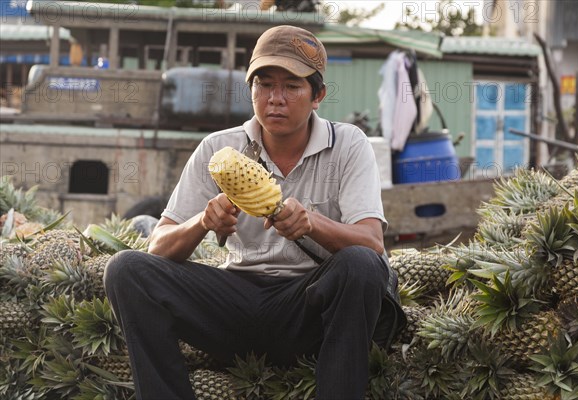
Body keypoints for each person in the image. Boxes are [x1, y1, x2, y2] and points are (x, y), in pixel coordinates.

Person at [104, 25, 405, 400]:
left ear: (318, 95)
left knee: (361, 265)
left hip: (308, 309)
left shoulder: (347, 145)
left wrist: (311, 222)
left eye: (292, 86)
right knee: (126, 269)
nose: (275, 99)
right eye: (264, 85)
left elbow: (372, 242)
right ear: (251, 91)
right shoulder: (219, 148)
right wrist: (202, 221)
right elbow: (159, 246)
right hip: (233, 304)